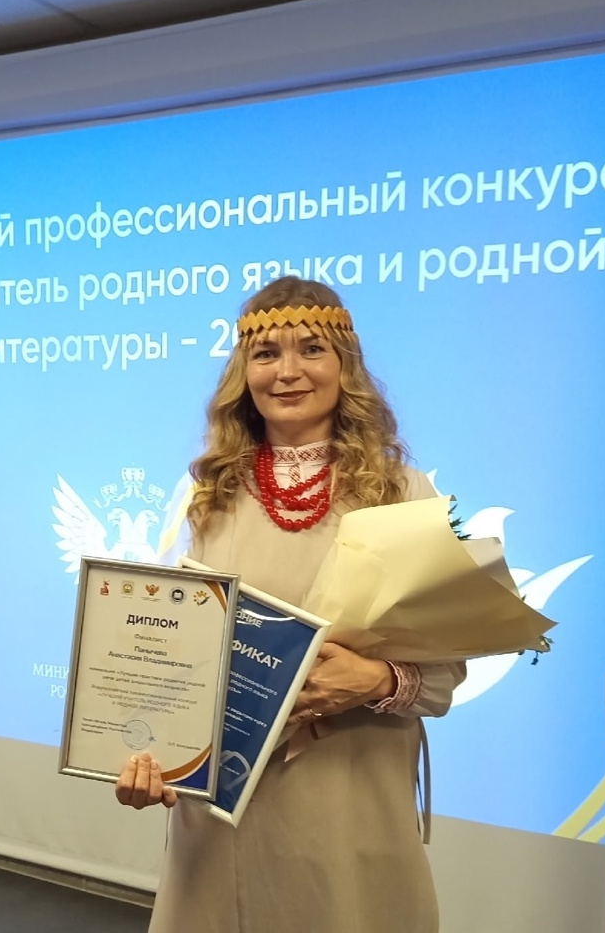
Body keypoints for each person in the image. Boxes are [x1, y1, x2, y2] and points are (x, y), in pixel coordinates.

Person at [115, 277, 465, 933]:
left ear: (345, 364)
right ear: (243, 373)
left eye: (311, 349)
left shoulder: (403, 493)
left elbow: (444, 676)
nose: (288, 371)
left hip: (351, 802)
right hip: (222, 817)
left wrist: (376, 680)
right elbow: (170, 658)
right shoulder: (205, 496)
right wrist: (152, 753)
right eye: (266, 353)